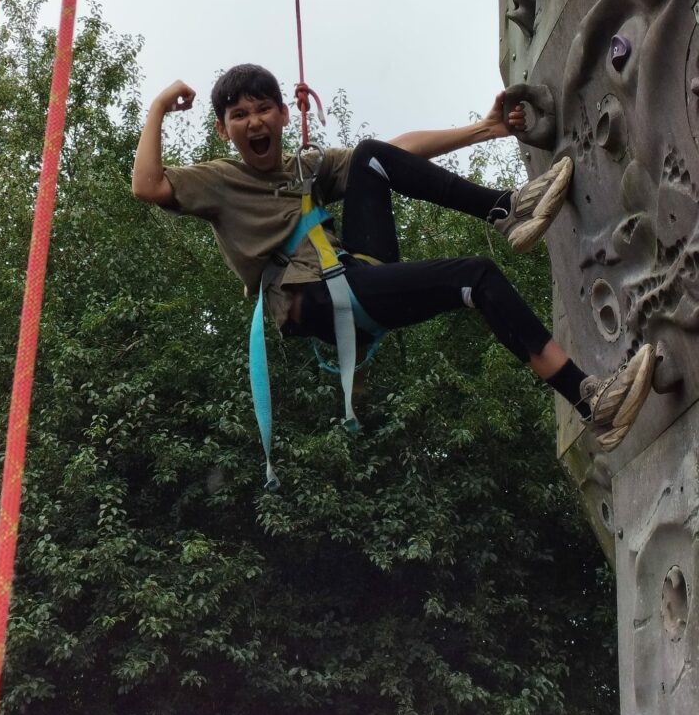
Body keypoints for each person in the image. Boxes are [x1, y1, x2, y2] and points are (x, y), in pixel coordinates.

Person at [132, 63, 656, 466]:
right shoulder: (220, 180)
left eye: (263, 109)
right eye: (239, 116)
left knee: (368, 156)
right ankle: (589, 400)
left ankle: (503, 208)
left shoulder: (304, 169)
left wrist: (483, 130)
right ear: (225, 131)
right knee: (473, 276)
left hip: (352, 276)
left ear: (283, 115)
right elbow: (148, 186)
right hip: (306, 301)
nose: (254, 122)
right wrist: (158, 106)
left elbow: (396, 153)